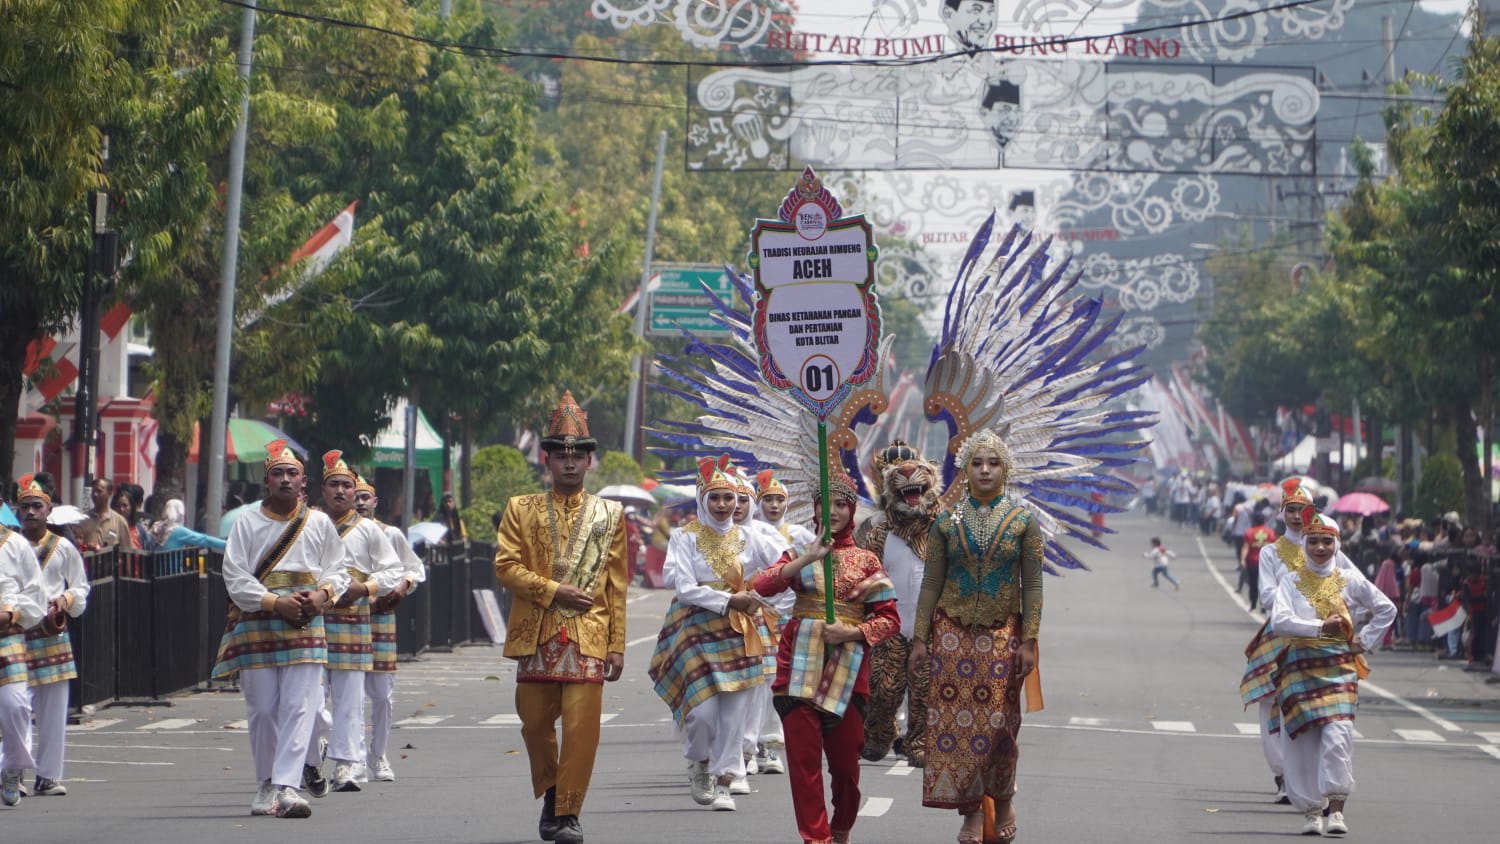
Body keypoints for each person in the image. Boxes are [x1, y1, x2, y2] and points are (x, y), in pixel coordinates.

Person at [494, 391, 629, 844]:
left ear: (590, 462)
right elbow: (506, 567)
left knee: (581, 730)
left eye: (579, 456)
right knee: (533, 725)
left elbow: (617, 585)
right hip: (536, 633)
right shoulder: (520, 508)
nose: (570, 464)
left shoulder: (611, 514)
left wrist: (616, 644)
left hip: (589, 636)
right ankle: (551, 792)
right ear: (546, 459)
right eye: (561, 456)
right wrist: (553, 590)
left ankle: (567, 813)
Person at [909, 429, 1042, 844]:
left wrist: (1030, 639)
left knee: (1002, 724)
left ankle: (1002, 799)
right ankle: (969, 812)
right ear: (965, 469)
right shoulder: (946, 523)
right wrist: (919, 638)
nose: (985, 470)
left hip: (1003, 634)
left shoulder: (1023, 521)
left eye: (993, 463)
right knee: (955, 729)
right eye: (977, 463)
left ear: (1006, 469)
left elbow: (1033, 585)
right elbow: (931, 582)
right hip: (951, 635)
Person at [753, 469, 899, 844]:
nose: (832, 511)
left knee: (847, 771)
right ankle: (815, 839)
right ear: (815, 510)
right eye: (825, 504)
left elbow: (889, 620)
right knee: (803, 766)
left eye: (840, 504)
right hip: (798, 668)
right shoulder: (798, 552)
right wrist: (808, 558)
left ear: (851, 510)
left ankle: (841, 828)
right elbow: (763, 585)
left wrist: (852, 632)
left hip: (848, 673)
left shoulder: (867, 561)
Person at [211, 439, 351, 819]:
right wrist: (276, 602)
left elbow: (338, 570)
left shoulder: (319, 522)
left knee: (300, 707)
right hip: (259, 622)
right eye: (278, 474)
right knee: (261, 709)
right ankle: (266, 783)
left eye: (292, 473)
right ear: (266, 480)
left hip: (307, 623)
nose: (285, 480)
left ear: (303, 481)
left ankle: (287, 787)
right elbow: (235, 577)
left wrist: (322, 595)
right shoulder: (247, 522)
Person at [649, 454, 782, 813]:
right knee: (702, 714)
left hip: (740, 630)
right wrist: (729, 599)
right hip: (695, 627)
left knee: (734, 715)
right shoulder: (684, 536)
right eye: (716, 498)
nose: (724, 505)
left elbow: (781, 573)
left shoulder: (751, 537)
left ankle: (725, 781)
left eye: (730, 498)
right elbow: (683, 586)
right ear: (703, 499)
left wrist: (767, 601)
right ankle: (699, 762)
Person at [1270, 509, 1395, 836]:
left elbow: (1386, 608)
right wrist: (1318, 626)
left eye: (1327, 541)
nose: (1320, 548)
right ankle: (1311, 812)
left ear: (1337, 544)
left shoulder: (1349, 579)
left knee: (1338, 737)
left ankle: (1336, 811)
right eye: (1313, 541)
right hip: (1300, 668)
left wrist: (1363, 643)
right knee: (1302, 743)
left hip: (1339, 669)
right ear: (1305, 544)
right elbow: (1279, 621)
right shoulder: (1292, 580)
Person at [303, 451, 404, 795]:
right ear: (323, 489)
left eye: (347, 485)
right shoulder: (307, 524)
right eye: (334, 484)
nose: (341, 491)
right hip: (312, 621)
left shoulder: (370, 531)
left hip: (354, 621)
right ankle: (311, 756)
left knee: (349, 699)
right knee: (312, 702)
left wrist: (365, 587)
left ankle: (347, 765)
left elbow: (393, 570)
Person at [853, 440, 941, 767]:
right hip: (889, 622)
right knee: (883, 688)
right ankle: (878, 734)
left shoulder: (942, 531)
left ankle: (918, 740)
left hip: (927, 625)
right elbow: (864, 576)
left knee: (923, 690)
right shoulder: (879, 533)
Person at [14, 475, 89, 797]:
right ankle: (12, 770)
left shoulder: (63, 549)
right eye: (25, 506)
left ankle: (48, 775)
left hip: (52, 634)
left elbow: (81, 586)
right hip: (16, 634)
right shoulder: (9, 548)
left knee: (54, 710)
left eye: (36, 506)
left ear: (49, 510)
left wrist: (65, 600)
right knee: (15, 707)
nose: (30, 511)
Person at [352, 475, 426, 782]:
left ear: (375, 501)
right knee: (348, 695)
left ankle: (378, 754)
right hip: (345, 618)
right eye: (354, 496)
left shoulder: (390, 533)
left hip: (380, 618)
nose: (359, 502)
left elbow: (414, 568)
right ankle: (352, 757)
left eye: (364, 497)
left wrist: (401, 588)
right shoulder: (332, 532)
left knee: (382, 694)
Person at [732, 468, 791, 792]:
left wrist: (774, 605)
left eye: (742, 499)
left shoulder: (768, 536)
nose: (734, 506)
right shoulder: (696, 534)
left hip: (761, 619)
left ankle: (753, 747)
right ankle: (714, 755)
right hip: (716, 619)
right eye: (727, 498)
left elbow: (787, 572)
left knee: (763, 684)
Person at [0, 498, 47, 806]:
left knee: (15, 704)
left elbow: (36, 593)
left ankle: (12, 767)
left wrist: (12, 614)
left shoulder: (15, 544)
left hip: (8, 633)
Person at [72, 476, 130, 550]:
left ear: (110, 493)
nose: (95, 494)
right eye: (93, 491)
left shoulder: (119, 521)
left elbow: (128, 552)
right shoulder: (82, 520)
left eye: (99, 491)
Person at [1242, 512, 1277, 611]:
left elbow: (1245, 547)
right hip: (1267, 563)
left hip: (1252, 562)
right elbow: (1275, 548)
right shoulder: (1270, 532)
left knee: (1253, 584)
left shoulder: (1249, 532)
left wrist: (1242, 560)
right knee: (1265, 584)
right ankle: (1263, 605)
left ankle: (1253, 603)